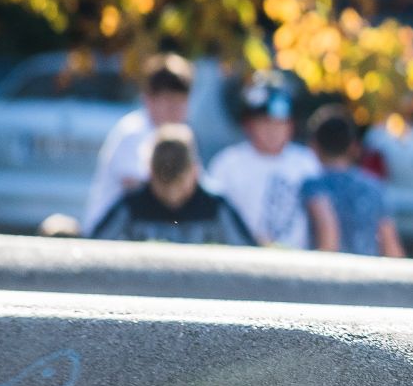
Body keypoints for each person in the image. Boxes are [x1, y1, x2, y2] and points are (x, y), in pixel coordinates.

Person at [203, 75, 332, 250]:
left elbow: (323, 218)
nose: (273, 130)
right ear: (248, 125)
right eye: (265, 122)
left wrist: (323, 265)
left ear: (291, 125)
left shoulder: (304, 162)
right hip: (239, 263)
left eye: (279, 123)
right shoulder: (227, 163)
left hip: (294, 265)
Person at [80, 54, 194, 234]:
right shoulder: (133, 133)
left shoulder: (183, 136)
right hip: (110, 236)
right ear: (148, 100)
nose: (176, 109)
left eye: (181, 101)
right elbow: (149, 192)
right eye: (169, 100)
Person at [90, 125, 257, 245]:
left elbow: (249, 257)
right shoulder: (131, 207)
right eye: (163, 186)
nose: (172, 195)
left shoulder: (216, 208)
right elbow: (96, 250)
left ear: (195, 171)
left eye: (179, 184)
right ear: (149, 173)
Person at [302, 104, 403, 257]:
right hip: (369, 274)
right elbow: (391, 246)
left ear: (314, 147)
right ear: (354, 147)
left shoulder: (313, 186)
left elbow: (328, 241)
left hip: (332, 273)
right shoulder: (373, 186)